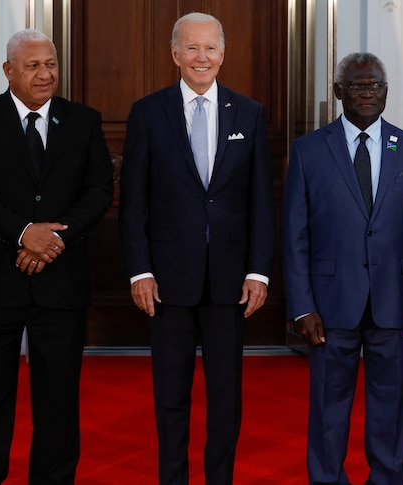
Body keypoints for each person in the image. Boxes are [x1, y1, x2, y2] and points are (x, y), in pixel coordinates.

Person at [118, 12, 274, 485]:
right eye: (191, 47)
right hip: (167, 281)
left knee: (226, 394)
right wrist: (139, 271)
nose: (201, 57)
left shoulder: (249, 112)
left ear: (223, 54)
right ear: (174, 54)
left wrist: (259, 271)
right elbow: (133, 203)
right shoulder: (148, 112)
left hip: (231, 281)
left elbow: (261, 201)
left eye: (209, 48)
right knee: (171, 394)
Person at [0, 29, 113, 484]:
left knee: (58, 401)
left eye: (51, 64)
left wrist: (51, 242)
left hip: (60, 285)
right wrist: (25, 233)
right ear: (8, 71)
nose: (45, 74)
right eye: (33, 65)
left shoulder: (84, 121)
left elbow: (99, 191)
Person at [282, 52, 403, 485]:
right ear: (339, 92)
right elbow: (294, 237)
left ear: (386, 92)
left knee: (391, 406)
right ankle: (327, 478)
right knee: (327, 405)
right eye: (357, 85)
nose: (368, 92)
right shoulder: (307, 151)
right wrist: (300, 307)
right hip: (329, 305)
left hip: (396, 303)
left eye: (375, 85)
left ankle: (386, 479)